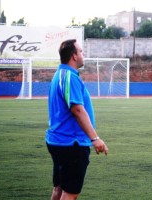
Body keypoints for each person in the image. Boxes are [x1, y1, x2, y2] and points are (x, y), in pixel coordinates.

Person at [45, 39, 108, 200]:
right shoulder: (69, 77)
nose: (83, 54)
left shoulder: (60, 75)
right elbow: (77, 109)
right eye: (81, 52)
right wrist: (95, 138)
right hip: (71, 143)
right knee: (70, 193)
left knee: (59, 189)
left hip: (58, 141)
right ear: (73, 56)